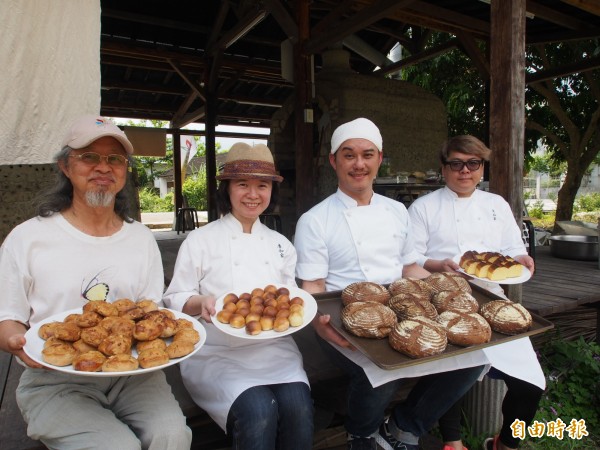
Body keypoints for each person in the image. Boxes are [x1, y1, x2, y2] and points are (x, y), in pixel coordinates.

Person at [0, 114, 192, 449]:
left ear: (124, 170)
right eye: (89, 156)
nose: (103, 167)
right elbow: (7, 317)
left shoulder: (141, 238)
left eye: (115, 159)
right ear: (65, 166)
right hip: (54, 380)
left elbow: (149, 313)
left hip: (132, 373)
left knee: (173, 436)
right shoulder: (27, 238)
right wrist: (16, 339)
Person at [294, 117, 487, 450]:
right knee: (383, 370)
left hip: (401, 306)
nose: (359, 164)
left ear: (379, 159)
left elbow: (410, 267)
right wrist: (320, 324)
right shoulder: (314, 220)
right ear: (333, 161)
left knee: (475, 357)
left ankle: (404, 426)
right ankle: (362, 432)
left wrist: (450, 289)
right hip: (342, 317)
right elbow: (313, 285)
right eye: (348, 155)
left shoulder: (397, 210)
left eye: (367, 155)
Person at [162, 142, 313, 450]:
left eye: (262, 185)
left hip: (275, 348)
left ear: (271, 190)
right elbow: (176, 295)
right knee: (258, 409)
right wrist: (199, 302)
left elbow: (289, 298)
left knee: (299, 408)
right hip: (217, 352)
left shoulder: (280, 244)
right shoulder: (200, 240)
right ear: (227, 189)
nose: (253, 194)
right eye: (242, 184)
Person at [407, 135, 545, 450]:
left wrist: (521, 257)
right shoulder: (423, 208)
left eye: (473, 163)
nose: (465, 171)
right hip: (444, 299)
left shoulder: (496, 204)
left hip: (494, 299)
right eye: (456, 163)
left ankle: (505, 444)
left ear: (482, 167)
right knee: (452, 371)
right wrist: (436, 264)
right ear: (443, 168)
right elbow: (409, 257)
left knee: (531, 383)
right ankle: (453, 443)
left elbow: (511, 249)